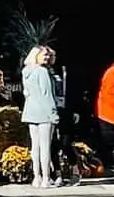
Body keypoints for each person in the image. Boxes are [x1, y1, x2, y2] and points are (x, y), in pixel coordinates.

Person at [21, 46, 59, 188]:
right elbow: (47, 94)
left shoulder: (26, 71)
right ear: (36, 55)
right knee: (45, 147)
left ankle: (36, 177)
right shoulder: (42, 72)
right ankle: (46, 178)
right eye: (44, 55)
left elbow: (26, 92)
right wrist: (53, 113)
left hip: (31, 111)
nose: (47, 58)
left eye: (48, 55)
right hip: (44, 113)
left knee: (35, 147)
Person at [47, 49, 81, 187]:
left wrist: (76, 110)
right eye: (48, 56)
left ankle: (75, 171)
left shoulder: (67, 72)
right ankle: (58, 174)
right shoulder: (45, 72)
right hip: (51, 109)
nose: (51, 58)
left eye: (52, 56)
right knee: (52, 144)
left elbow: (75, 91)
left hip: (66, 109)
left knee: (66, 142)